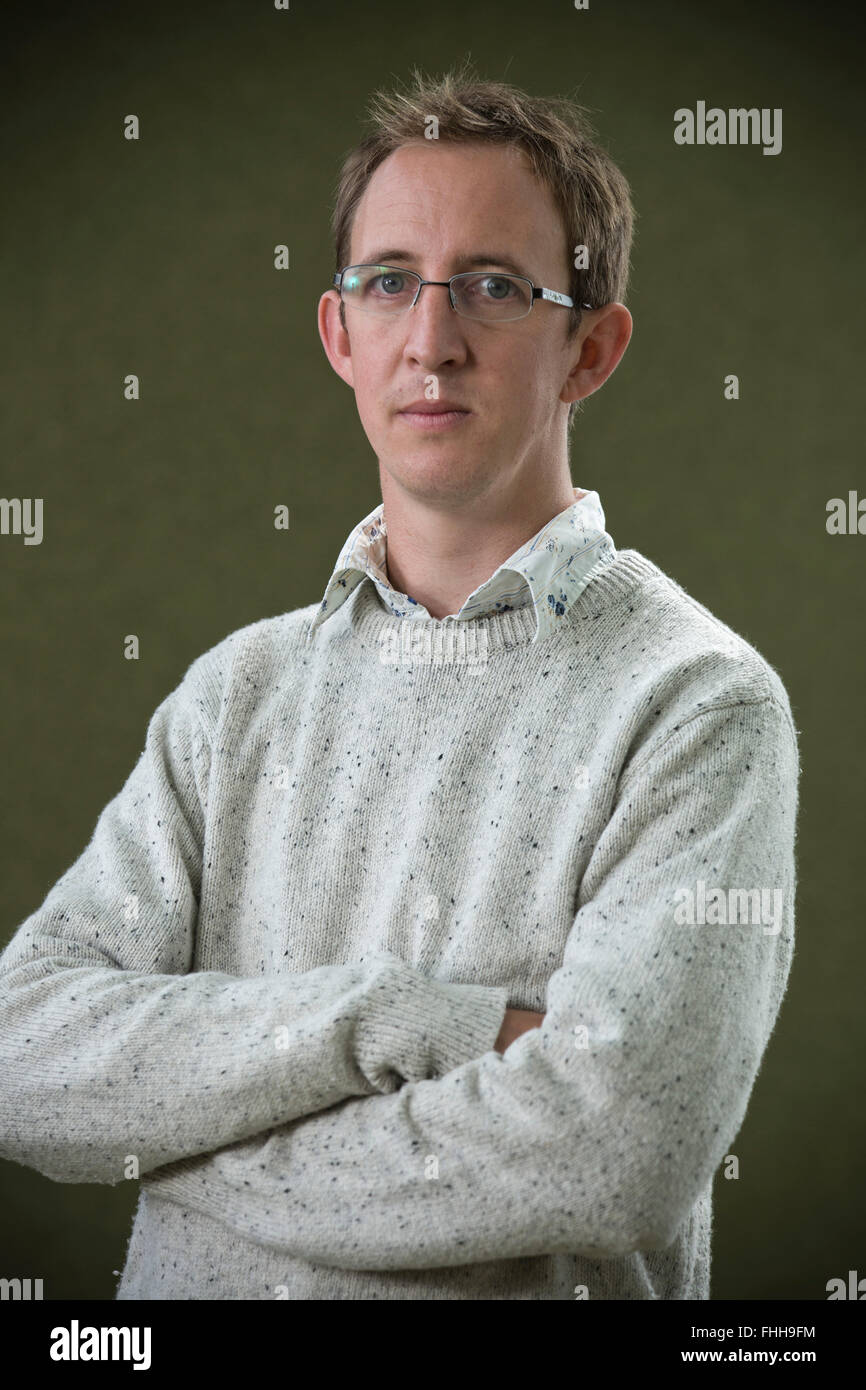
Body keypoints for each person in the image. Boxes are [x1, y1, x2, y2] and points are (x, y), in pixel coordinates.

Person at [0, 63, 800, 1300]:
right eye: (387, 285)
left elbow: (615, 1149)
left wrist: (185, 1136)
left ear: (590, 346)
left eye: (491, 286)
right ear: (339, 333)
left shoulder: (694, 703)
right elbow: (24, 1054)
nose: (430, 341)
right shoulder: (233, 697)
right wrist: (410, 1021)